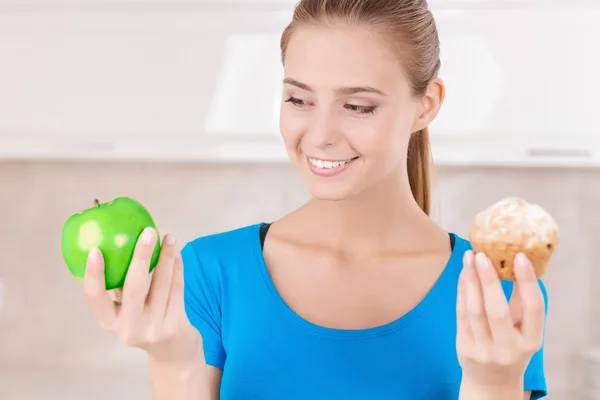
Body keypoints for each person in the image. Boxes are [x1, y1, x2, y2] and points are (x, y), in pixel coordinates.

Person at [82, 0, 548, 399]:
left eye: (358, 106)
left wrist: (494, 382)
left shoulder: (495, 291)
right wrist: (173, 362)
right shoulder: (209, 272)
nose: (320, 136)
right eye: (299, 100)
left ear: (426, 104)